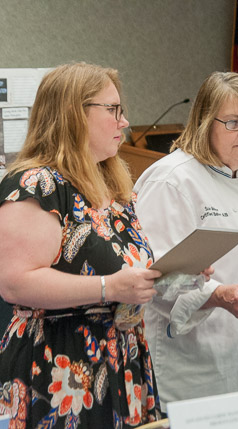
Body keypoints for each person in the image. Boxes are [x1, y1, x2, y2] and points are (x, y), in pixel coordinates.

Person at [0, 63, 162, 427]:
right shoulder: (36, 183)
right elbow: (15, 281)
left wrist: (176, 273)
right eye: (113, 110)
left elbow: (122, 266)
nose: (124, 122)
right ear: (73, 113)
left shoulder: (113, 185)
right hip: (59, 364)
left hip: (122, 359)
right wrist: (108, 288)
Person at [134, 71, 238, 410]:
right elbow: (154, 277)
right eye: (233, 123)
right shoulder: (172, 180)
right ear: (205, 123)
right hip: (195, 365)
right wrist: (217, 295)